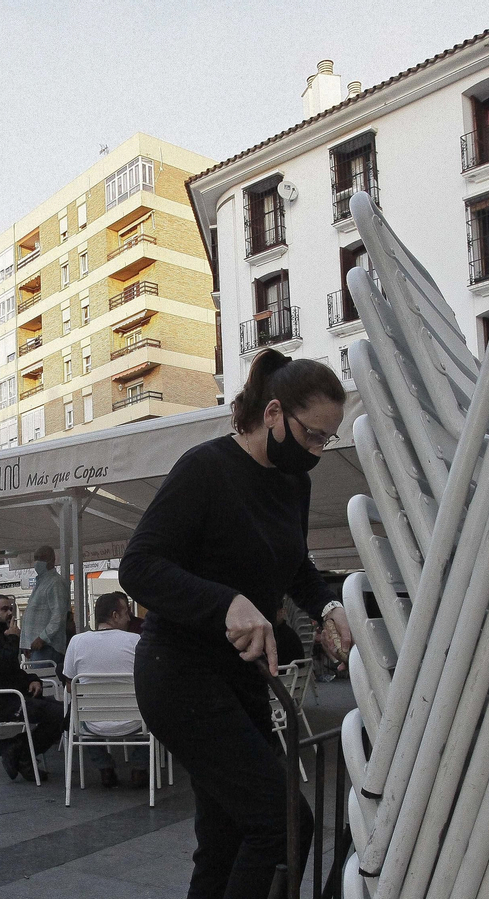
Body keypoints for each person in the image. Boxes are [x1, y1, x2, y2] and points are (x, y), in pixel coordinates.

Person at [121, 348, 355, 898]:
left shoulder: (293, 485)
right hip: (178, 674)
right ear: (272, 414)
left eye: (328, 439)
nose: (319, 451)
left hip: (240, 680)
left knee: (226, 839)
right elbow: (139, 566)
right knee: (283, 822)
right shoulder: (205, 468)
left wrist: (325, 607)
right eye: (313, 436)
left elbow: (295, 564)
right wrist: (225, 602)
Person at [0, 591, 67, 782]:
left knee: (63, 711)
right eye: (4, 609)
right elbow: (3, 663)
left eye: (11, 608)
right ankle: (20, 753)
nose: (10, 613)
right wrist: (13, 639)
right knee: (58, 714)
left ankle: (17, 751)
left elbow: (11, 671)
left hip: (11, 698)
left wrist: (31, 680)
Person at [62, 592, 148, 788]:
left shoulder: (76, 642)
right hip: (134, 723)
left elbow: (69, 686)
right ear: (115, 615)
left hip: (91, 725)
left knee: (79, 712)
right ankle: (139, 768)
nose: (129, 618)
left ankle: (105, 769)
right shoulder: (135, 642)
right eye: (126, 612)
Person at [20, 546, 69, 669]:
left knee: (42, 684)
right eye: (35, 558)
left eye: (41, 558)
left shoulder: (55, 583)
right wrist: (26, 643)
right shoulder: (42, 582)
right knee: (40, 683)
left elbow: (58, 616)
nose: (37, 562)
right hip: (37, 647)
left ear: (52, 560)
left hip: (47, 647)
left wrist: (42, 638)